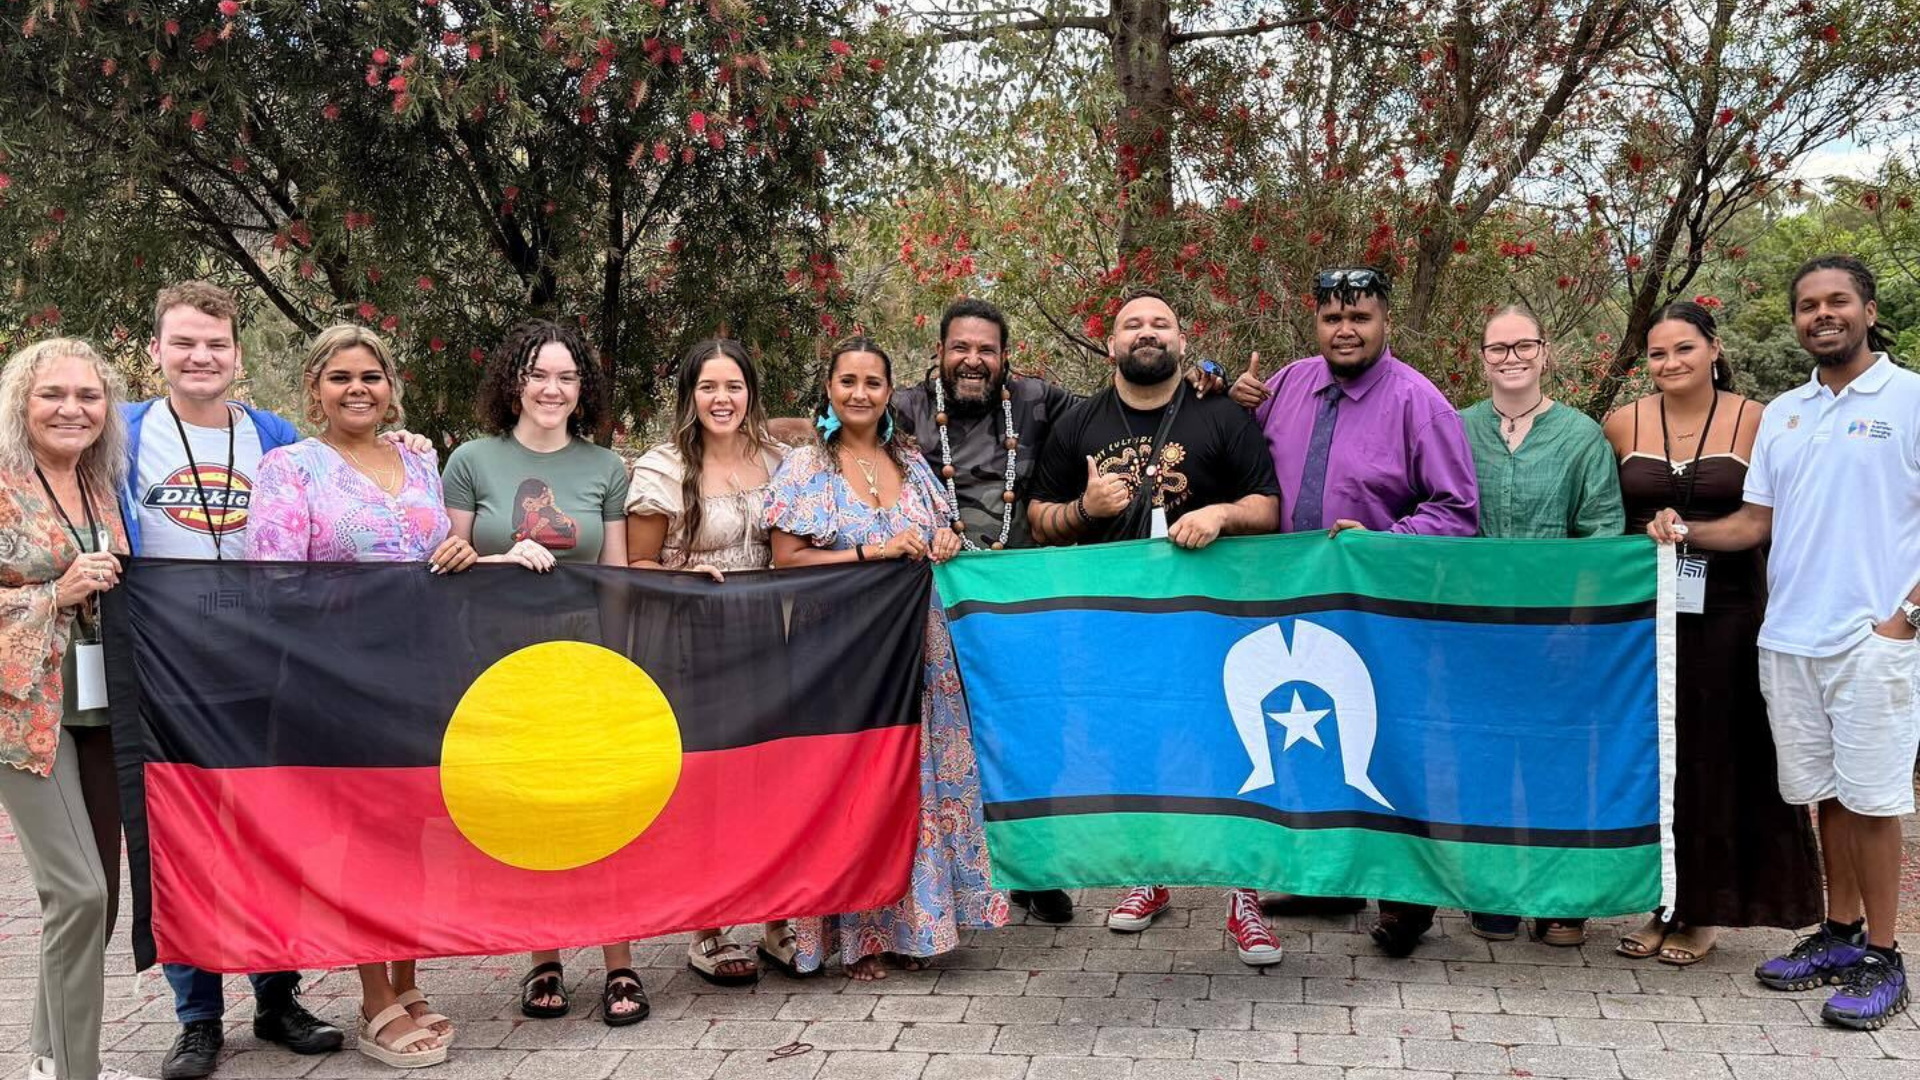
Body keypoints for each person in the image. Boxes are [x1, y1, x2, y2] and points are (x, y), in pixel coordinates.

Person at [1648, 255, 1919, 1030]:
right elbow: (1754, 523)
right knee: (1824, 797)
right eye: (1808, 305)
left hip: (1873, 639)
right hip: (1790, 636)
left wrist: (1907, 616)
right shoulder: (1787, 413)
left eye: (1838, 301)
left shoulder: (1910, 399)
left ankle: (1885, 957)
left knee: (1872, 800)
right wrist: (1683, 530)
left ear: (1868, 309)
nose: (1822, 315)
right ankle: (1838, 934)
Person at [116, 282, 351, 1080]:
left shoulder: (275, 436)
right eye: (183, 342)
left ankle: (278, 996)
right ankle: (197, 1018)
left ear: (238, 355)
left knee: (270, 832)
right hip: (164, 672)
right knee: (185, 843)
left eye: (215, 343)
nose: (200, 357)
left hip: (264, 670)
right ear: (156, 351)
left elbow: (341, 502)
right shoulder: (123, 434)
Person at [1027, 289, 1284, 965]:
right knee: (1136, 748)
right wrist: (1084, 508)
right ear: (1110, 345)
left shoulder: (1221, 412)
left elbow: (1269, 505)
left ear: (1181, 339)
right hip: (1119, 626)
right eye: (1132, 324)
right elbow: (1038, 520)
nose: (1147, 333)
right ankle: (1151, 874)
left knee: (1226, 749)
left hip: (1213, 620)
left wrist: (1223, 516)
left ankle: (1244, 897)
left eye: (1161, 323)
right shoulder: (1079, 422)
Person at [244, 325, 478, 1067]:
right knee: (358, 839)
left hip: (417, 674)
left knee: (411, 833)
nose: (357, 389)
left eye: (370, 376)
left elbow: (432, 551)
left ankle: (407, 982)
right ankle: (372, 994)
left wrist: (457, 552)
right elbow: (270, 584)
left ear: (389, 386)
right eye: (340, 377)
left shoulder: (418, 458)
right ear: (314, 388)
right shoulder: (290, 469)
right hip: (333, 677)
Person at [1228, 265, 1478, 957]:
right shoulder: (1286, 384)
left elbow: (1458, 512)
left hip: (1379, 612)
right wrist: (1223, 396)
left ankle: (1406, 902)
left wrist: (1386, 543)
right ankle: (1326, 880)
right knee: (1307, 744)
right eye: (1333, 317)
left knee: (1390, 750)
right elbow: (1243, 464)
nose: (1345, 329)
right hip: (1288, 602)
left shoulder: (1420, 403)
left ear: (1384, 321)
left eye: (1360, 317)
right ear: (1317, 321)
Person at [765, 336, 1006, 981]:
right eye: (848, 381)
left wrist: (946, 540)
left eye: (873, 383)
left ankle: (915, 928)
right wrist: (869, 555)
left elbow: (938, 532)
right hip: (844, 656)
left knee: (917, 784)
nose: (860, 394)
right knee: (857, 787)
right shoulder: (806, 467)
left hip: (921, 655)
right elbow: (785, 560)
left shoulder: (913, 461)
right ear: (829, 388)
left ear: (889, 392)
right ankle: (858, 936)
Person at [1605, 301, 1823, 966]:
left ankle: (1703, 912)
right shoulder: (1620, 422)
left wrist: (1688, 532)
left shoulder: (1759, 420)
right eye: (1658, 353)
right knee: (1659, 759)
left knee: (1719, 756)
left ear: (1714, 348)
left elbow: (1761, 523)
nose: (1670, 363)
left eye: (1684, 349)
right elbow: (1604, 520)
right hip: (1646, 615)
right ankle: (1663, 904)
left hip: (1729, 612)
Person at [438, 320, 642, 1021]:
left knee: (602, 810)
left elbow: (617, 576)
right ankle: (545, 958)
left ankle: (620, 962)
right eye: (538, 374)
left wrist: (620, 672)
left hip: (587, 665)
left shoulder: (607, 468)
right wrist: (503, 557)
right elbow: (449, 565)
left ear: (582, 389)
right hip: (504, 666)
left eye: (567, 377)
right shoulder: (469, 461)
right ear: (513, 382)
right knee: (532, 813)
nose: (552, 388)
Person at [885, 298, 1079, 923]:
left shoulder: (1038, 402)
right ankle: (948, 872)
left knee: (1027, 731)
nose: (973, 360)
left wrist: (1208, 388)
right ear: (938, 352)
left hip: (1017, 603)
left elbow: (1117, 412)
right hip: (927, 602)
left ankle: (1034, 867)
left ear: (1005, 359)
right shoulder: (904, 407)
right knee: (945, 738)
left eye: (986, 350)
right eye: (961, 348)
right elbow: (837, 433)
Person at [1446, 304, 1625, 945]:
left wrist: (1575, 626)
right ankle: (1491, 888)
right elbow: (1434, 514)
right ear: (1483, 357)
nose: (1511, 357)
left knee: (1558, 762)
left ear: (1545, 353)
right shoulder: (1455, 428)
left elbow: (1602, 535)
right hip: (1474, 633)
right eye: (1498, 348)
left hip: (1556, 632)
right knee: (1482, 760)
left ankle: (1561, 897)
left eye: (1524, 345)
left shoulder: (1581, 437)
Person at [0, 339, 152, 1080]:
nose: (72, 409)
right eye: (52, 394)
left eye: (88, 396)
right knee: (79, 892)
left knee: (92, 894)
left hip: (95, 709)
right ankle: (78, 1073)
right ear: (20, 403)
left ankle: (49, 1058)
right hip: (21, 714)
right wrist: (52, 596)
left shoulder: (99, 480)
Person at [627, 338, 798, 983]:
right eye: (708, 388)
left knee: (771, 775)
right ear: (689, 396)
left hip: (768, 635)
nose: (721, 400)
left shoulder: (782, 462)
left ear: (751, 393)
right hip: (693, 639)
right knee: (712, 783)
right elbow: (637, 564)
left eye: (733, 387)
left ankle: (779, 917)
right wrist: (681, 573)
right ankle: (711, 924)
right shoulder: (664, 469)